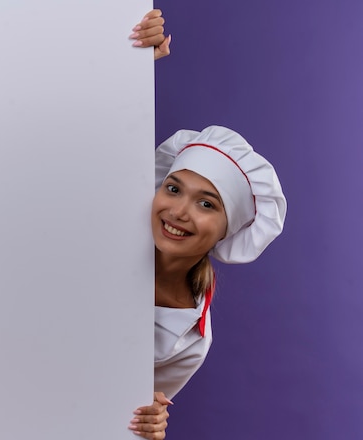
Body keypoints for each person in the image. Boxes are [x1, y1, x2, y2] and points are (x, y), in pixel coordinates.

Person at [126, 12, 288, 440]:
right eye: (174, 189)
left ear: (225, 232)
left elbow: (118, 414)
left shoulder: (191, 342)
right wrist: (128, 65)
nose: (179, 212)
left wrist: (146, 426)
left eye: (205, 203)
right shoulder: (105, 222)